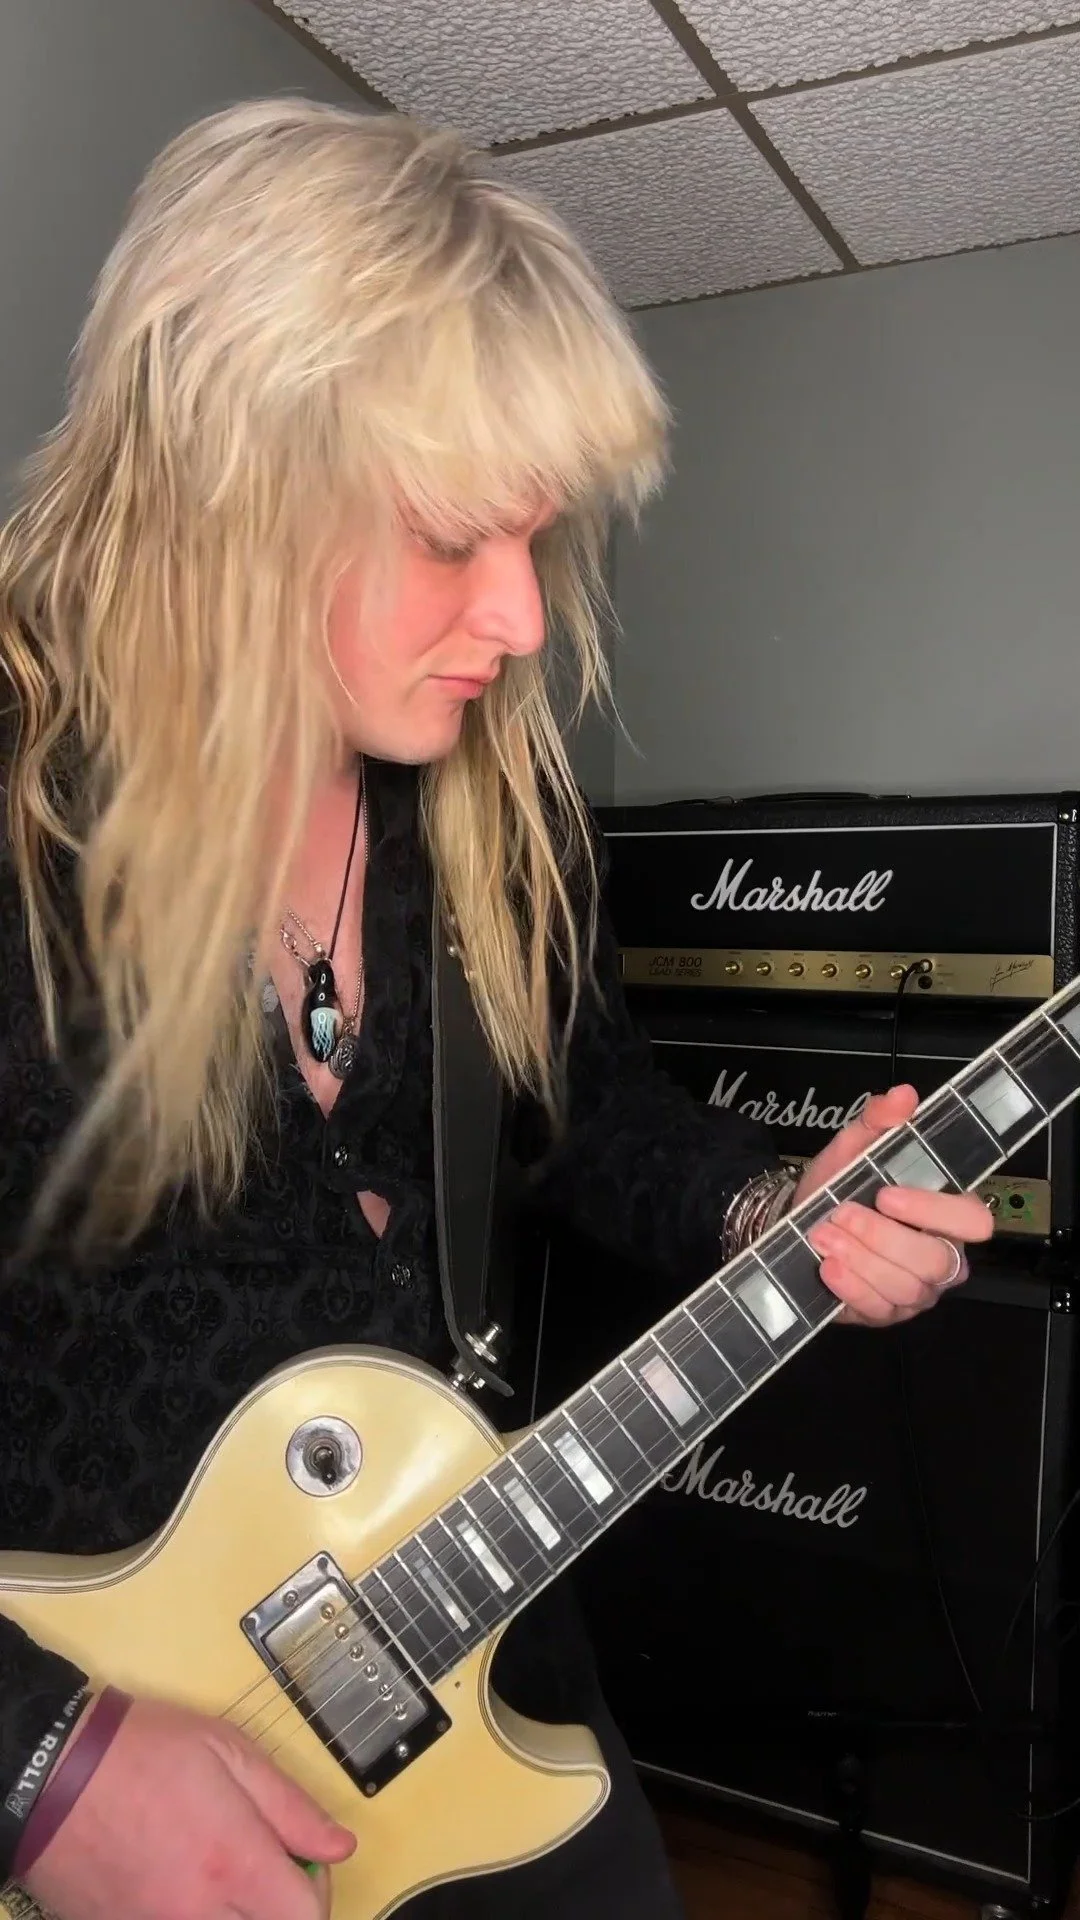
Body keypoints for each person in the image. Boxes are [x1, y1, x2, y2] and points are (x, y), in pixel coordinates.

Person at [0, 99, 991, 1920]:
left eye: (538, 538)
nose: (524, 617)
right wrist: (39, 1763)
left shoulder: (486, 803)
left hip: (466, 1652)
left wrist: (771, 1209)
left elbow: (584, 1104)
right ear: (228, 479)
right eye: (456, 535)